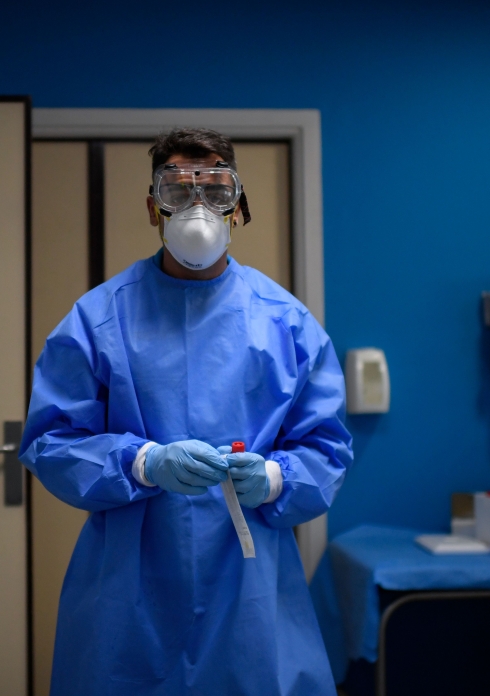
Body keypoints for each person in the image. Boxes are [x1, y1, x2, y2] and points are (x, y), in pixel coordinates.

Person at [20, 128, 353, 695]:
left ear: (239, 206)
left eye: (215, 190)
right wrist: (141, 463)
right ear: (153, 207)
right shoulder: (99, 319)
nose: (197, 207)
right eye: (177, 190)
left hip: (249, 589)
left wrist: (275, 477)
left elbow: (326, 448)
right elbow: (51, 441)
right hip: (128, 595)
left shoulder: (287, 324)